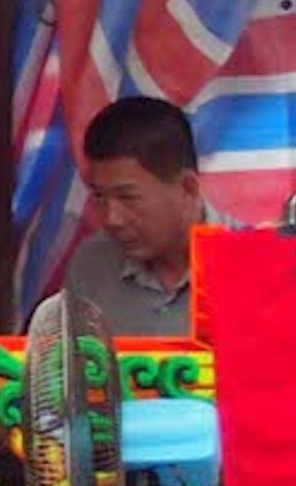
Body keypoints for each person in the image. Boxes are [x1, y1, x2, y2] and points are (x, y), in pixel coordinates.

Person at [67, 94, 206, 338]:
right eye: (99, 196)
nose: (112, 219)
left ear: (188, 188)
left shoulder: (252, 267)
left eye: (128, 197)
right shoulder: (91, 265)